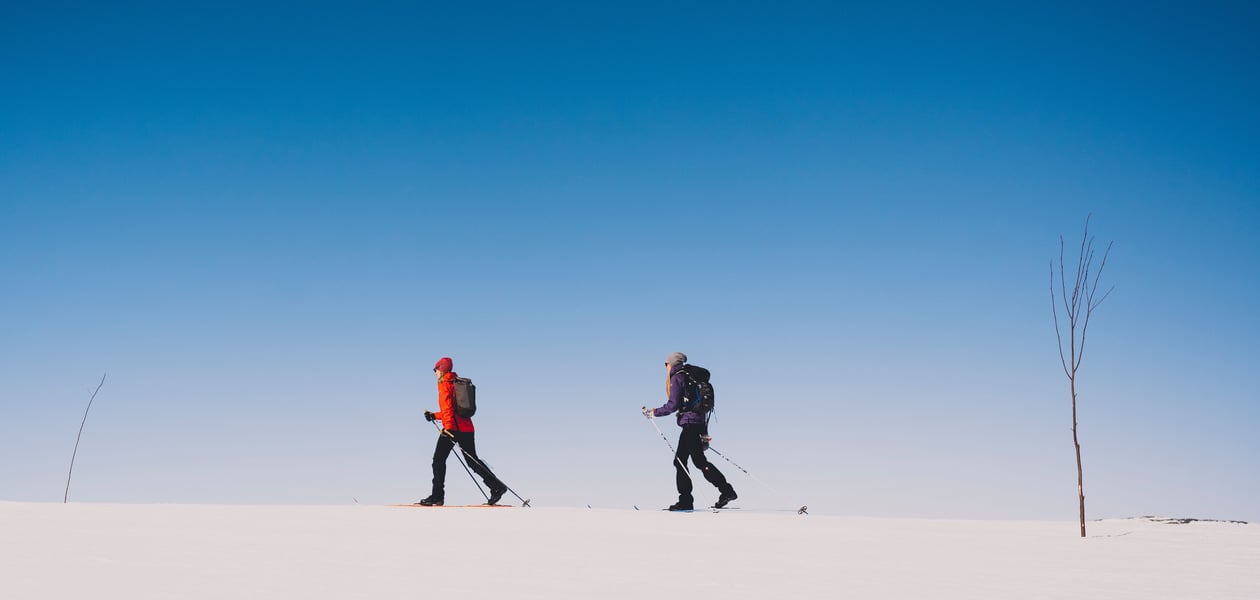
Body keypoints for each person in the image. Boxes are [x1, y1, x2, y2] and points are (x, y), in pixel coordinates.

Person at [643, 352, 737, 511]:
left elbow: (673, 405)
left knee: (688, 461)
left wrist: (654, 413)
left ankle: (692, 499)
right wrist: (704, 432)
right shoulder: (691, 376)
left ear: (671, 364)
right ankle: (724, 491)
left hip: (689, 424)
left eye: (666, 364)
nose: (665, 367)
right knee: (687, 460)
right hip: (698, 423)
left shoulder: (677, 377)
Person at [417, 357, 507, 506]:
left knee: (438, 460)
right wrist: (434, 416)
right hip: (467, 428)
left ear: (441, 369)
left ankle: (437, 496)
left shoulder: (444, 384)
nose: (435, 373)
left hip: (453, 429)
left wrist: (447, 429)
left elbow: (448, 410)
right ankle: (497, 486)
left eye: (435, 369)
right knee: (472, 460)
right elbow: (453, 411)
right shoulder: (456, 382)